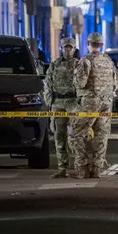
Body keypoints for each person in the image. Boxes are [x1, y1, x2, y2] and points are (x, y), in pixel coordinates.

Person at [70, 32, 117, 179]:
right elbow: (115, 84)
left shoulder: (86, 61)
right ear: (102, 45)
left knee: (77, 133)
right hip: (106, 102)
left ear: (88, 44)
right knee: (101, 135)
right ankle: (97, 168)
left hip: (90, 101)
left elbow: (81, 83)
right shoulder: (109, 61)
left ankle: (82, 168)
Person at [43, 37, 79, 178]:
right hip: (58, 102)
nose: (68, 50)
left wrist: (80, 102)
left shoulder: (79, 65)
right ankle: (62, 167)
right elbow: (48, 83)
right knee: (59, 135)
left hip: (72, 102)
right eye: (65, 47)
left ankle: (78, 166)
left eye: (70, 47)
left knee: (75, 136)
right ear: (61, 48)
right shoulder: (54, 65)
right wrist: (50, 102)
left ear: (74, 49)